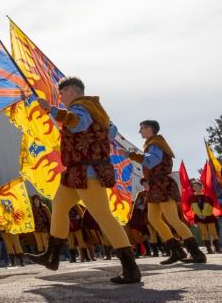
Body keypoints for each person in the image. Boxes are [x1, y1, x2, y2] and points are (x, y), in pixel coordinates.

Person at [28, 77, 141, 284]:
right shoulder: (98, 110)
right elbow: (111, 132)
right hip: (75, 172)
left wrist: (52, 110)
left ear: (71, 91)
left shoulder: (82, 108)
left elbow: (76, 121)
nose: (60, 98)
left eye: (61, 94)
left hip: (87, 171)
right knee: (59, 207)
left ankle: (131, 268)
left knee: (104, 217)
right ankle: (51, 256)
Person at [128, 120, 205, 264]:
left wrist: (132, 155)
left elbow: (152, 161)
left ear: (149, 129)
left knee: (173, 219)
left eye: (142, 129)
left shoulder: (155, 143)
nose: (139, 132)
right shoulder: (153, 143)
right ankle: (177, 250)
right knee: (154, 219)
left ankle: (196, 253)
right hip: (155, 185)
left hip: (162, 184)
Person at [190, 181, 218, 255]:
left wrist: (204, 214)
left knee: (213, 232)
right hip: (199, 218)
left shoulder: (208, 197)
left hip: (209, 217)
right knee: (204, 233)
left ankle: (217, 247)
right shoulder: (192, 198)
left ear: (201, 187)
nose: (194, 188)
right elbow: (194, 207)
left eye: (196, 186)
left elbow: (210, 207)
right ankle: (209, 249)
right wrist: (199, 215)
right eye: (193, 186)